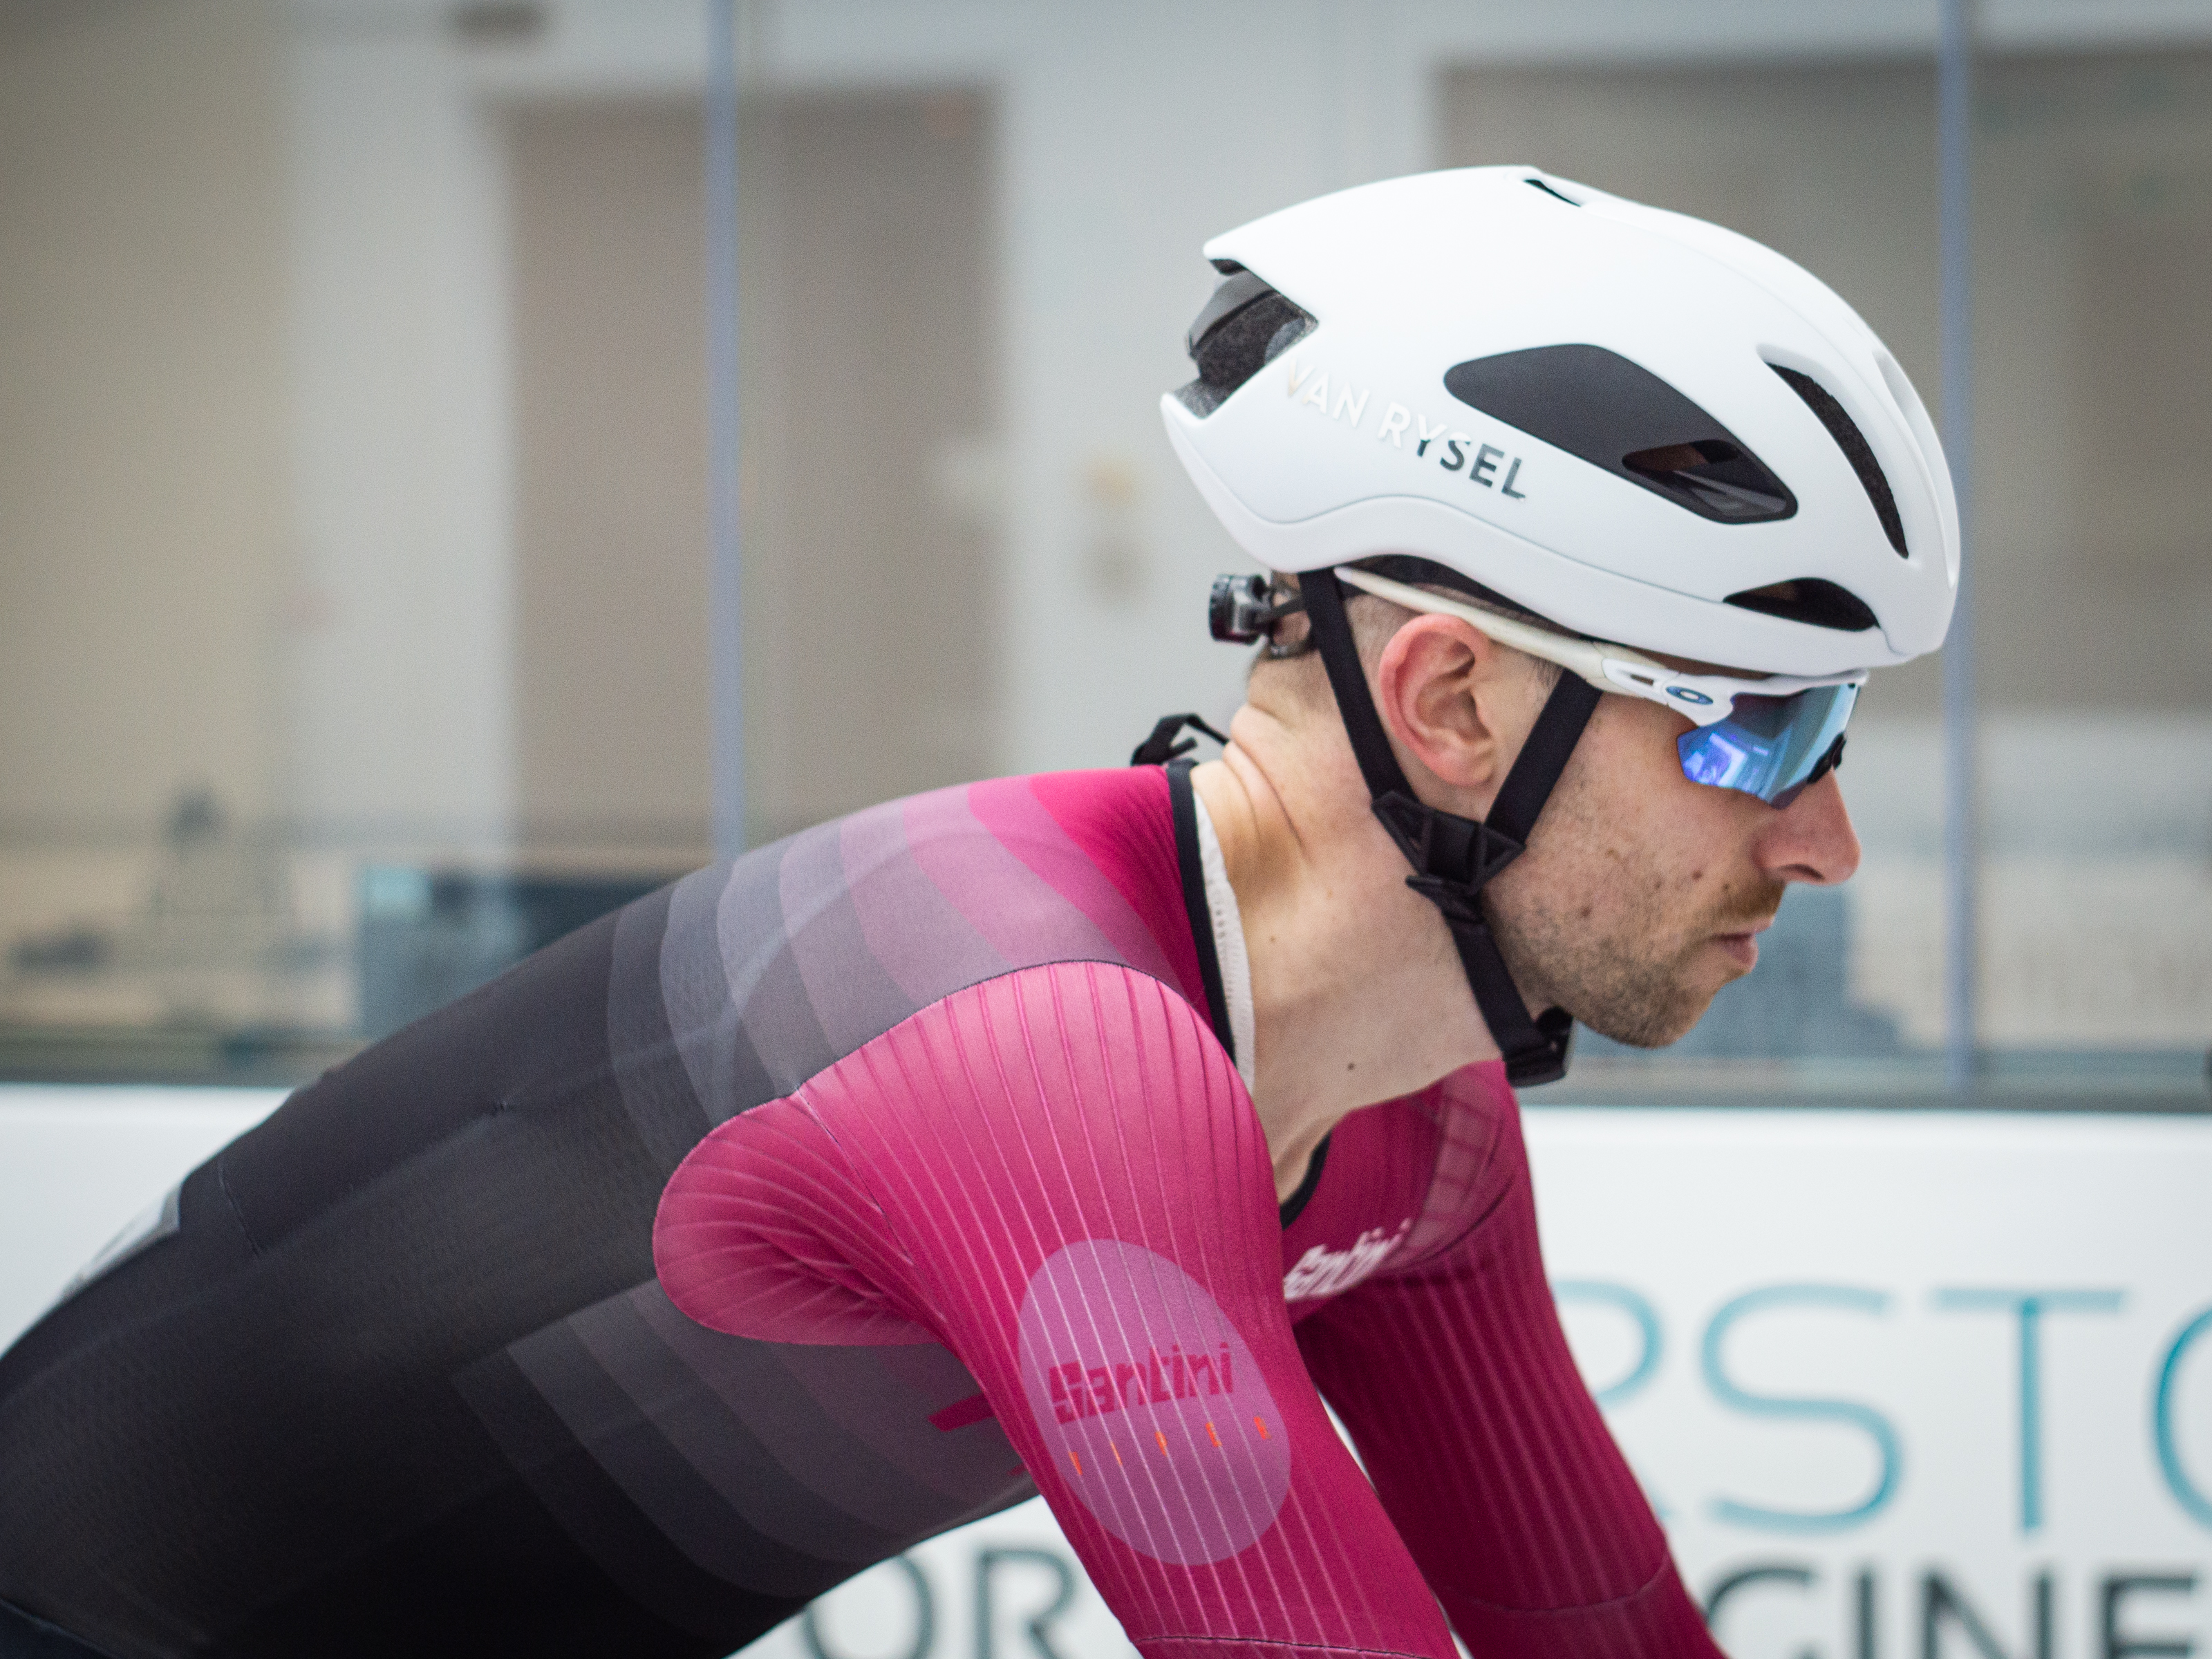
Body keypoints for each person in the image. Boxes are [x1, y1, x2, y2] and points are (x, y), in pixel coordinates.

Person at [0, 166, 1953, 1659]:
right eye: (1763, 734)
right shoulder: (1046, 1047)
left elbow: (1599, 1632)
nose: (1826, 843)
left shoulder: (1414, 1112)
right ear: (1450, 707)